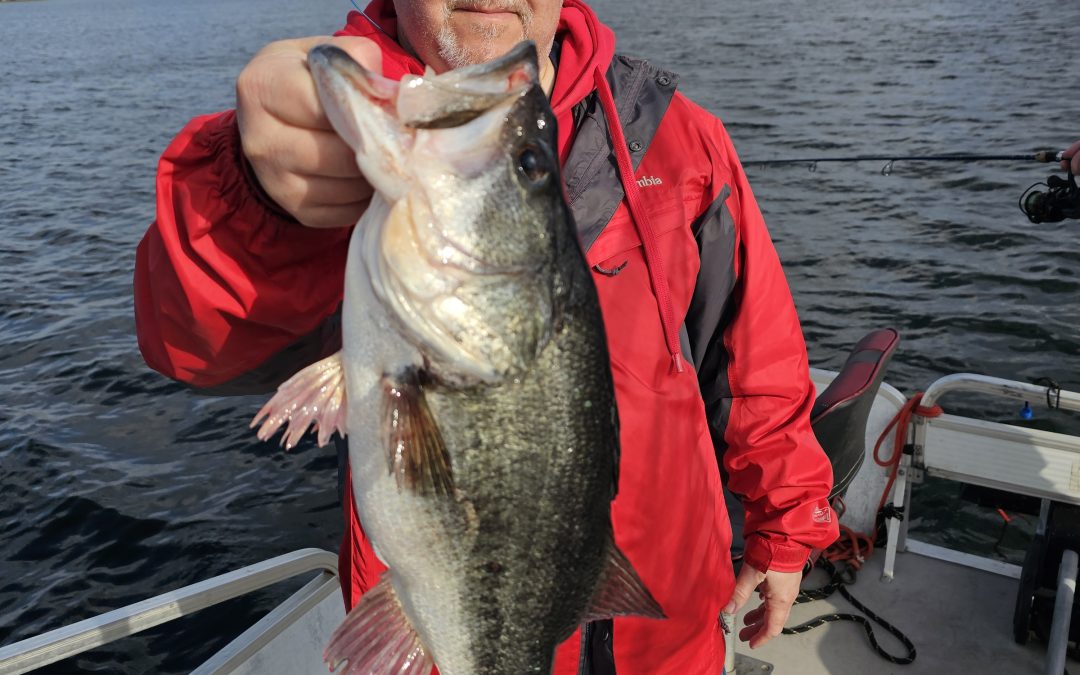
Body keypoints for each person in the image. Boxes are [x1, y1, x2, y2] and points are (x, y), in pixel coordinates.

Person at [134, 1, 839, 672]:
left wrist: (787, 519)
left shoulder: (680, 135)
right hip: (447, 638)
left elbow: (751, 350)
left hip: (670, 632)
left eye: (528, 165)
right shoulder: (329, 142)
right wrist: (257, 200)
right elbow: (190, 344)